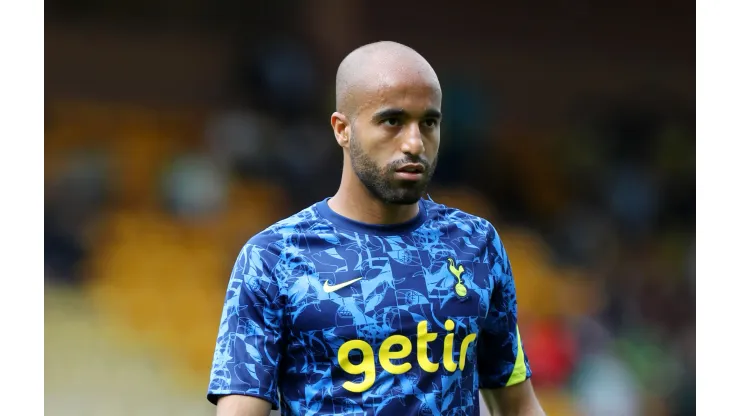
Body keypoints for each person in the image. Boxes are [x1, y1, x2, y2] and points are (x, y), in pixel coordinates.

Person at [207, 41, 545, 416]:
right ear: (342, 129)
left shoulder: (477, 244)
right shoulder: (274, 258)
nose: (415, 143)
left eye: (429, 122)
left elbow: (519, 406)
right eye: (393, 121)